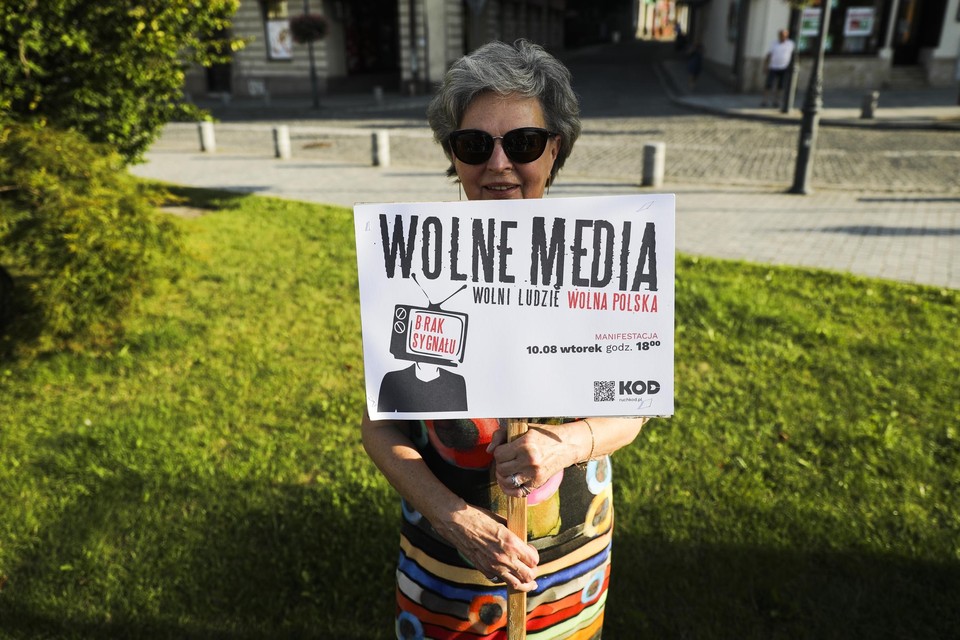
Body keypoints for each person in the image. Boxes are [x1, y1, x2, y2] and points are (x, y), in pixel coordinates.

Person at [361, 39, 650, 639]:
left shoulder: (598, 259)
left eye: (521, 143)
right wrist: (455, 519)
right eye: (473, 144)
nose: (498, 164)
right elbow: (379, 424)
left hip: (568, 563)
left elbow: (631, 408)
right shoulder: (416, 267)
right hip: (444, 565)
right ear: (453, 154)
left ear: (553, 150)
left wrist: (567, 444)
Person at [762, 28, 795, 107]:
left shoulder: (790, 44)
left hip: (784, 67)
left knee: (781, 86)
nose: (782, 37)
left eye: (784, 35)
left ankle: (776, 101)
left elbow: (793, 55)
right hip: (773, 67)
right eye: (780, 35)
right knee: (768, 84)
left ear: (786, 35)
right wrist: (765, 66)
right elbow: (769, 55)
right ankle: (765, 101)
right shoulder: (774, 43)